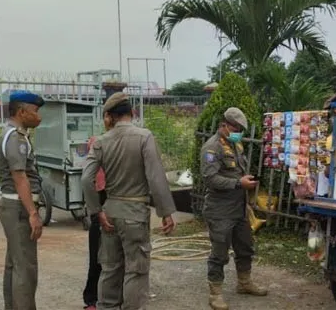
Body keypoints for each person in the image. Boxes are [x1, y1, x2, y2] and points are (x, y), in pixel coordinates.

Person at [81, 92, 177, 310]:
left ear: (111, 117)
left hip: (110, 211)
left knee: (110, 268)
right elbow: (156, 176)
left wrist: (97, 211)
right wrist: (166, 212)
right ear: (132, 113)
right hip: (134, 213)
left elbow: (86, 178)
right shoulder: (144, 137)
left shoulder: (101, 141)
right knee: (136, 270)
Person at [200, 107, 268, 310]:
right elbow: (210, 179)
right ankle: (215, 293)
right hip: (220, 210)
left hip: (239, 208)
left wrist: (248, 186)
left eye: (241, 129)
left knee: (245, 247)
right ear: (225, 125)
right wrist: (239, 183)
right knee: (219, 252)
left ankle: (244, 282)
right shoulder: (212, 148)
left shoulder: (236, 145)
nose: (239, 132)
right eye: (236, 127)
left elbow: (238, 172)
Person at [0, 90, 45, 310]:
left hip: (13, 205)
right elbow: (20, 177)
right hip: (18, 207)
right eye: (35, 111)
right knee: (25, 268)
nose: (39, 117)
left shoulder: (13, 133)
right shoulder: (15, 137)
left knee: (14, 265)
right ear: (22, 111)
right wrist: (33, 213)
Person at [82, 134, 108, 310]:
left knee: (104, 256)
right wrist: (97, 211)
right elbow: (88, 180)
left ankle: (98, 297)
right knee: (99, 254)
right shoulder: (98, 143)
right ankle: (92, 298)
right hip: (102, 198)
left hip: (108, 199)